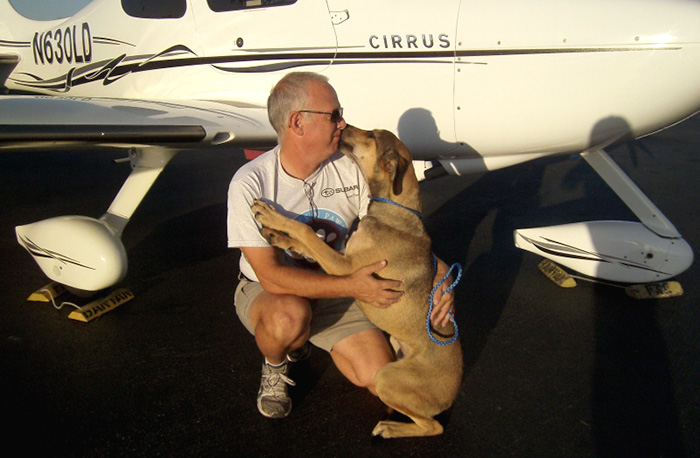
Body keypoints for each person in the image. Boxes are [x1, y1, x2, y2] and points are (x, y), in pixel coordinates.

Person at [227, 71, 455, 418]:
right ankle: (276, 364)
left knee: (380, 379)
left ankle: (304, 337)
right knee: (289, 318)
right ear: (297, 123)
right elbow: (272, 277)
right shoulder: (251, 182)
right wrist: (352, 286)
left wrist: (440, 277)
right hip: (275, 292)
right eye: (333, 115)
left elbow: (392, 235)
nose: (342, 122)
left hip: (342, 286)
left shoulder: (350, 168)